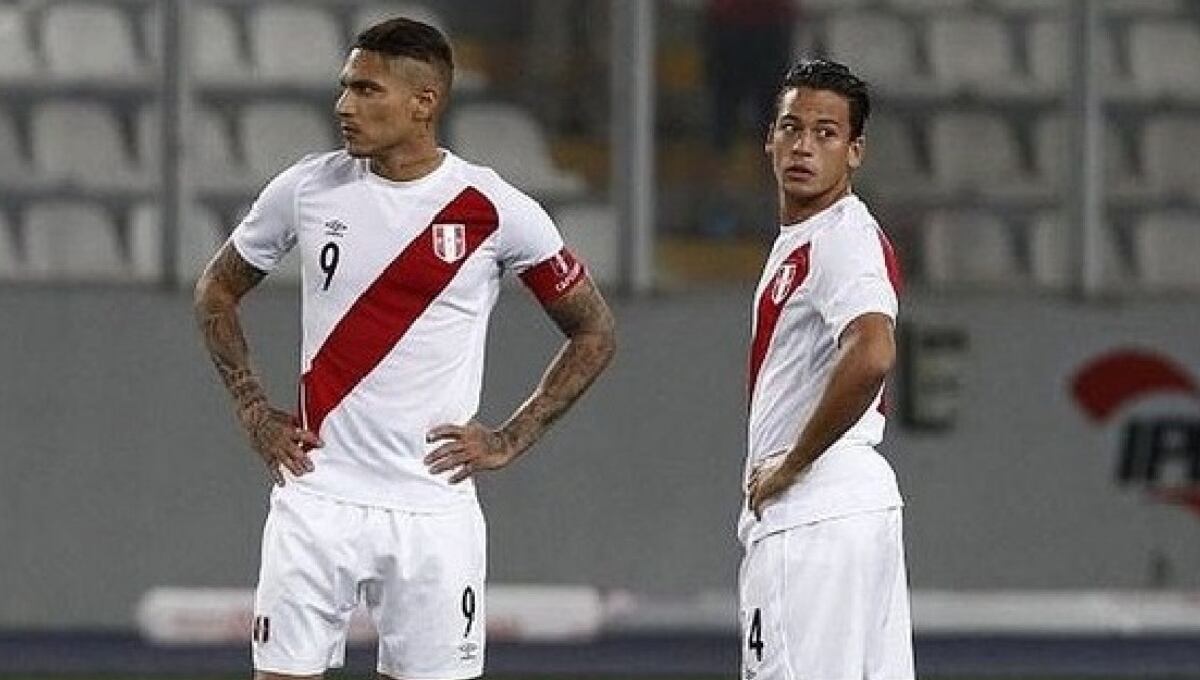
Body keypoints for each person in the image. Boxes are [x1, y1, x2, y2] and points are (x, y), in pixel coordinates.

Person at [193, 18, 616, 680]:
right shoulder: (307, 187)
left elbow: (594, 330)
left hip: (432, 509)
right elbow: (216, 288)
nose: (343, 106)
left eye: (367, 90)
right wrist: (250, 404)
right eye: (344, 88)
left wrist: (512, 435)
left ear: (424, 102)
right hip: (317, 494)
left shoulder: (495, 209)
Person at [739, 58, 913, 680]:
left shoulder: (841, 237)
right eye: (792, 128)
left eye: (826, 133)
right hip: (861, 512)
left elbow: (872, 351)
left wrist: (792, 463)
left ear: (856, 151)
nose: (803, 146)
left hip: (812, 513)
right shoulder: (810, 238)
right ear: (770, 139)